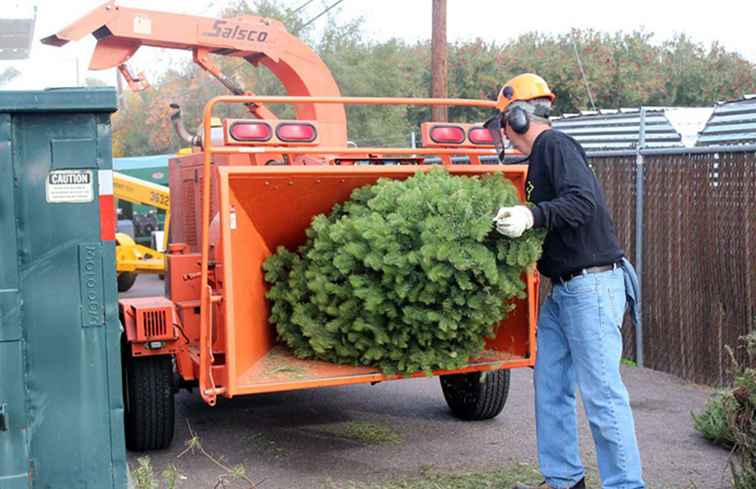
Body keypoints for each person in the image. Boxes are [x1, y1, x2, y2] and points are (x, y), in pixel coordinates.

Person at [490, 74, 646, 489]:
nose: (503, 132)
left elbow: (581, 202)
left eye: (504, 121)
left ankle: (626, 486)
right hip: (560, 289)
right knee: (551, 388)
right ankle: (563, 480)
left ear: (518, 118)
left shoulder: (556, 146)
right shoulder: (538, 159)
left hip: (590, 287)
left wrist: (532, 215)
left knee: (602, 397)